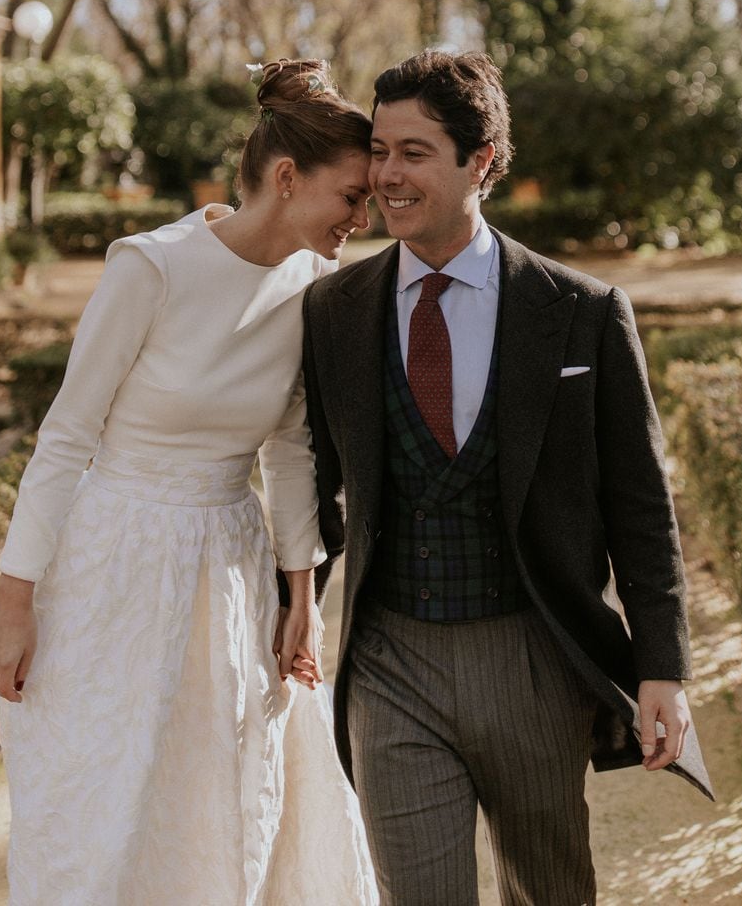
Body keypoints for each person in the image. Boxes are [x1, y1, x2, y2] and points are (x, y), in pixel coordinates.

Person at [302, 50, 713, 906]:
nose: (386, 176)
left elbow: (640, 502)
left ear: (479, 161)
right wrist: (290, 594)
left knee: (549, 891)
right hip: (390, 661)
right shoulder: (333, 311)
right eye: (379, 152)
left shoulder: (583, 312)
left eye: (413, 153)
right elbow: (308, 479)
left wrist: (663, 667)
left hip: (531, 656)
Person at [0, 60, 379, 906]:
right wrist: (14, 600)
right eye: (352, 195)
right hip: (115, 561)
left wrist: (300, 594)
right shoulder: (149, 268)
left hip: (231, 562)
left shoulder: (312, 287)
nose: (362, 215)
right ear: (287, 177)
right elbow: (65, 438)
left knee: (225, 787)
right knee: (106, 797)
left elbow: (291, 449)